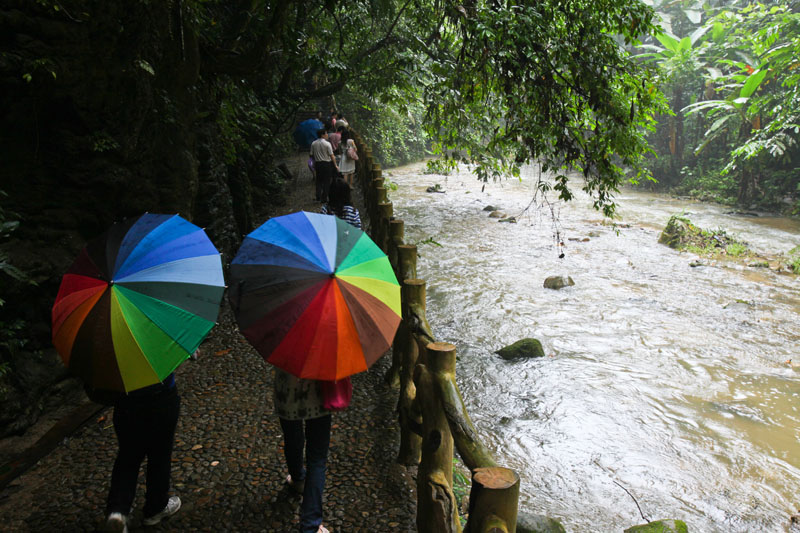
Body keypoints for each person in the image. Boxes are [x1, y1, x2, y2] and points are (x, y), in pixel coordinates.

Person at [104, 373, 182, 532]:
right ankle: (156, 507)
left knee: (128, 456)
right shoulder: (158, 346)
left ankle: (118, 511)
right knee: (160, 454)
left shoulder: (109, 349)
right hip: (161, 397)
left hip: (126, 402)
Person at [274, 369, 333, 533]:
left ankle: (298, 477)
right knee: (317, 458)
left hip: (286, 390)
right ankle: (310, 525)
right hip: (319, 394)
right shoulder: (329, 342)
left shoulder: (282, 341)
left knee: (292, 437)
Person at [309, 129, 338, 202]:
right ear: (322, 135)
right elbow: (332, 156)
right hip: (326, 164)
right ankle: (324, 198)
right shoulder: (327, 144)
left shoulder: (313, 143)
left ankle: (318, 196)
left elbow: (311, 155)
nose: (327, 135)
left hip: (318, 164)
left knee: (318, 181)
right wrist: (335, 165)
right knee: (327, 181)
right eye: (326, 133)